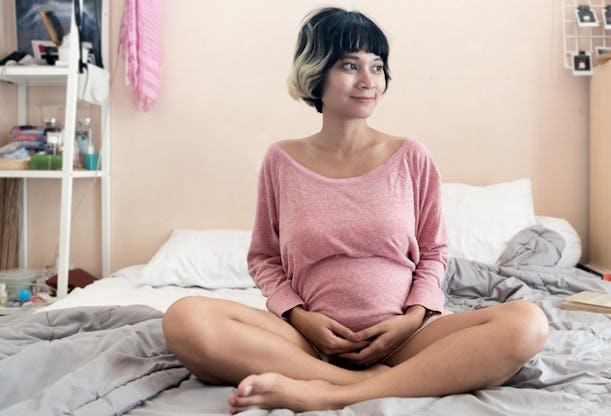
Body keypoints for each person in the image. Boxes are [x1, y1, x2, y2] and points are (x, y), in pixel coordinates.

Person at [162, 7, 548, 414]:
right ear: (316, 73)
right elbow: (263, 258)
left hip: (406, 338)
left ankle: (328, 392)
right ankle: (363, 383)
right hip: (306, 341)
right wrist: (299, 317)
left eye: (377, 67)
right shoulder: (281, 160)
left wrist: (413, 318)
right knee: (185, 318)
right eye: (350, 65)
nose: (369, 82)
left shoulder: (411, 156)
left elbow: (434, 252)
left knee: (527, 322)